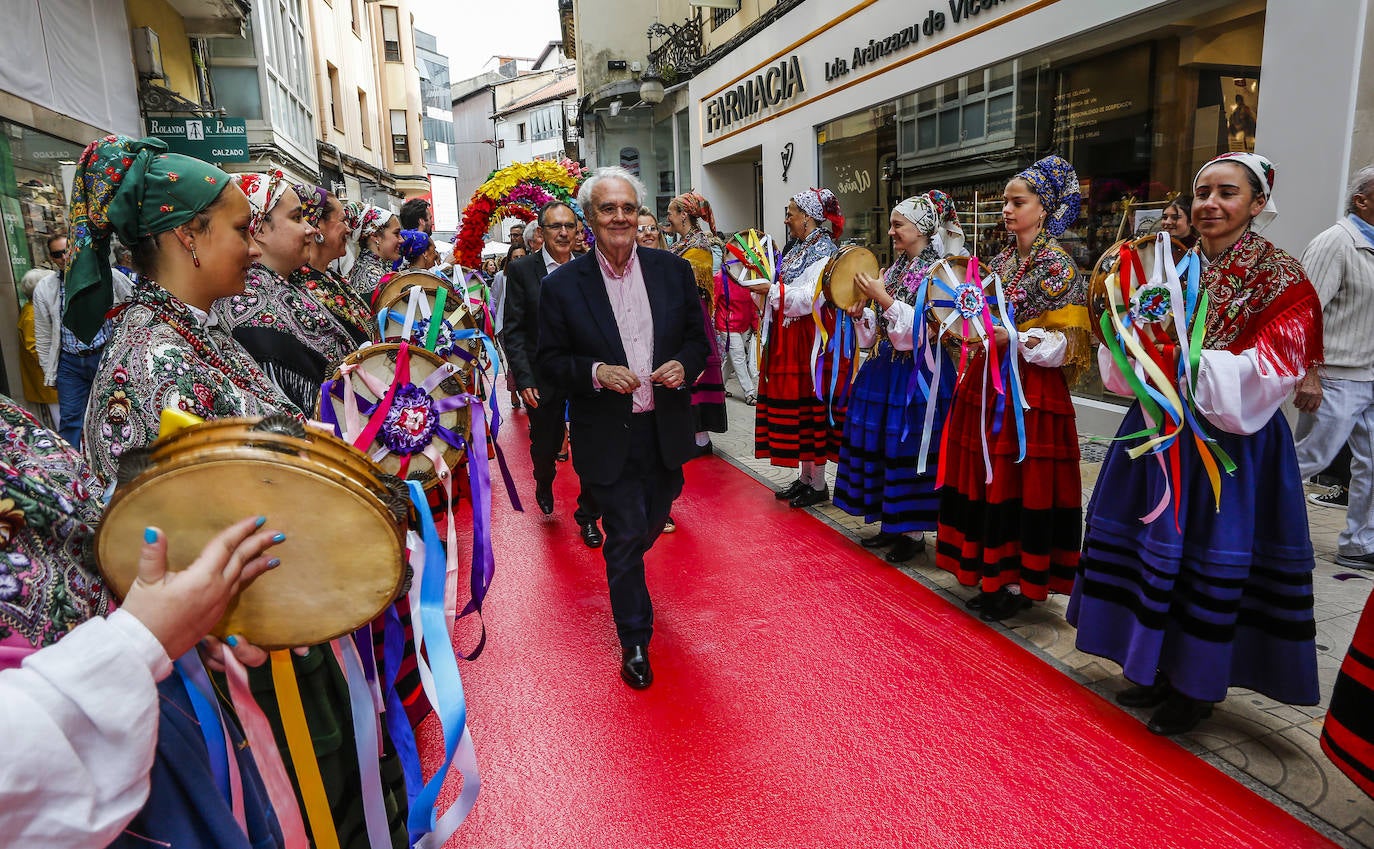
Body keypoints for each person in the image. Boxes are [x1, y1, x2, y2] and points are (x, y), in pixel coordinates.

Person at [74, 137, 409, 848]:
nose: (253, 247)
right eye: (238, 229)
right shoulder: (157, 354)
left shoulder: (192, 332)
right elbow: (175, 530)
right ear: (186, 237)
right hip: (238, 657)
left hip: (263, 630)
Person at [1069, 152, 1323, 736]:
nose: (1209, 204)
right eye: (1202, 191)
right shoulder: (1170, 268)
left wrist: (1181, 363)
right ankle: (1153, 663)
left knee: (1207, 555)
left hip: (1227, 445)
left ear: (1258, 204)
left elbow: (1273, 369)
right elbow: (1132, 338)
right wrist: (1132, 353)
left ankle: (1194, 686)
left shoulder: (1282, 279)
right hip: (1157, 431)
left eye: (1226, 193)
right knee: (1155, 548)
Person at [0, 394, 288, 848]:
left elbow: (75, 529)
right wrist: (140, 638)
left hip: (150, 702)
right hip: (89, 786)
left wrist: (191, 597)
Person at [536, 166, 708, 688]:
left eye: (628, 208)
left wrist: (684, 364)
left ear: (638, 216)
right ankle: (635, 638)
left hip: (664, 430)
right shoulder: (563, 286)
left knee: (651, 522)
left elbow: (700, 342)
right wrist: (595, 372)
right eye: (608, 208)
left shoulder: (672, 272)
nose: (620, 217)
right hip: (607, 435)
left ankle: (632, 563)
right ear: (590, 218)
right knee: (626, 534)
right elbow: (550, 362)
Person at [935, 155, 1091, 622]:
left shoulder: (1059, 265)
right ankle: (991, 572)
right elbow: (976, 313)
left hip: (1031, 391)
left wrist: (1016, 339)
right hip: (987, 382)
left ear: (1044, 208)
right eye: (1005, 201)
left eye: (1016, 201)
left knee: (1022, 481)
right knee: (987, 476)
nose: (1006, 209)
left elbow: (1068, 343)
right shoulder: (998, 261)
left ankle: (1021, 580)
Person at [836, 193, 961, 564]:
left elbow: (926, 330)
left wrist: (884, 300)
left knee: (908, 446)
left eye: (897, 225)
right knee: (884, 444)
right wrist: (861, 313)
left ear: (920, 229)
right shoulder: (893, 271)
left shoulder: (940, 272)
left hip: (920, 372)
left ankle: (912, 531)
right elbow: (878, 332)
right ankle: (892, 522)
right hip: (886, 368)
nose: (891, 232)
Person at [504, 201, 604, 548]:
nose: (563, 233)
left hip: (586, 374)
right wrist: (524, 378)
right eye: (555, 227)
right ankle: (543, 478)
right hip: (542, 376)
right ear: (541, 233)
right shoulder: (522, 272)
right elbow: (513, 330)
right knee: (545, 444)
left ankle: (589, 515)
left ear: (578, 230)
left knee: (591, 446)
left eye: (569, 226)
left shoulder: (593, 268)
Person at [1290, 165, 1374, 569]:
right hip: (1335, 375)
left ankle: (1359, 544)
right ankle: (1256, 525)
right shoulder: (1335, 243)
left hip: (1370, 373)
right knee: (1309, 458)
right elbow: (1305, 314)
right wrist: (1308, 374)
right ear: (1362, 200)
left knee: (1373, 464)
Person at [218, 171, 357, 413]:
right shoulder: (247, 307)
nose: (310, 229)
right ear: (259, 229)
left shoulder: (289, 285)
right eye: (297, 218)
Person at [756, 188, 848, 508]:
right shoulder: (799, 248)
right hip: (792, 337)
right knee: (800, 406)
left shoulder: (823, 251)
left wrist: (769, 288)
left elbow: (806, 299)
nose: (787, 218)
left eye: (791, 212)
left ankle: (818, 482)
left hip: (811, 341)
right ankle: (806, 477)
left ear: (807, 217)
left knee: (811, 405)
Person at [31, 232, 134, 447]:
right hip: (70, 363)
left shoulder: (110, 276)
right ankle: (75, 474)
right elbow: (42, 334)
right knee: (70, 420)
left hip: (105, 356)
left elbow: (133, 308)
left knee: (119, 412)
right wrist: (49, 371)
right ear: (51, 258)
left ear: (76, 250)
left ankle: (121, 464)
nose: (64, 258)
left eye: (66, 252)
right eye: (57, 254)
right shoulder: (45, 288)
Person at [667, 191, 728, 453]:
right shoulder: (681, 244)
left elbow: (690, 288)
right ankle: (692, 436)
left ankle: (701, 440)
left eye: (671, 212)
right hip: (681, 316)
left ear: (684, 215)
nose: (668, 217)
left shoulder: (699, 247)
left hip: (694, 317)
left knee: (696, 372)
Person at [291, 185, 377, 348]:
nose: (348, 228)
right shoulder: (303, 287)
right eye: (343, 220)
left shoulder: (330, 276)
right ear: (317, 225)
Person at [17, 269, 60, 425]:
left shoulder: (34, 310)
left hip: (50, 377)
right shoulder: (31, 314)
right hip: (48, 377)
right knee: (61, 419)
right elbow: (34, 348)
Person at [492, 243, 527, 411]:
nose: (518, 261)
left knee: (525, 361)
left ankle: (526, 392)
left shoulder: (530, 275)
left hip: (527, 325)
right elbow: (495, 299)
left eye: (522, 257)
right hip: (505, 327)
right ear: (509, 259)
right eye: (515, 258)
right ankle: (514, 391)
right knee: (514, 362)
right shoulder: (500, 276)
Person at [346, 204, 401, 300]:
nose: (402, 240)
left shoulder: (365, 267)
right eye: (396, 233)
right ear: (375, 236)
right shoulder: (373, 278)